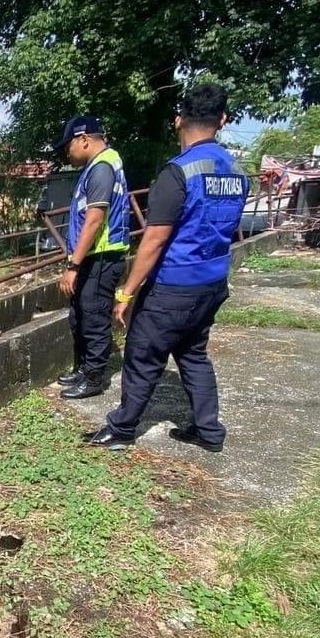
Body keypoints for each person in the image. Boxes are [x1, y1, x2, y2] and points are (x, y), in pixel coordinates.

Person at [87, 83, 249, 451]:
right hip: (213, 282)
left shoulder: (179, 172)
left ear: (178, 120)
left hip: (174, 285)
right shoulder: (238, 172)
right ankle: (208, 430)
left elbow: (155, 240)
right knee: (192, 353)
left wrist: (127, 293)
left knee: (142, 353)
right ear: (222, 120)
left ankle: (122, 428)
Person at [53, 115, 132, 400]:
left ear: (84, 139)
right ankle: (83, 369)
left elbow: (94, 220)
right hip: (91, 256)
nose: (68, 153)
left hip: (101, 257)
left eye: (69, 146)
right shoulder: (96, 166)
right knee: (80, 316)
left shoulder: (101, 168)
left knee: (94, 318)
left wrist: (73, 265)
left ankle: (94, 379)